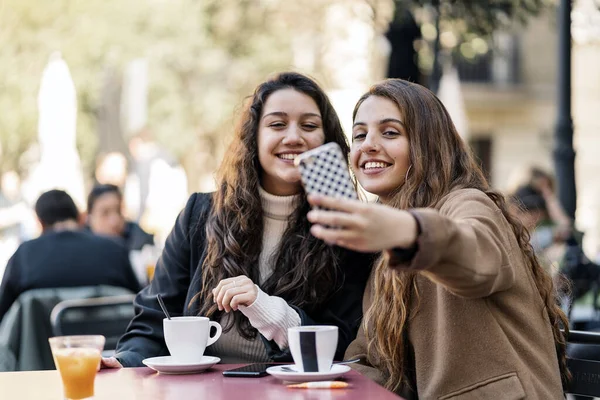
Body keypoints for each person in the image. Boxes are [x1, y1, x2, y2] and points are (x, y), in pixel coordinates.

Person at [306, 79, 567, 398]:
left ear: (428, 142)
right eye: (360, 134)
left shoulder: (467, 203)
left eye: (390, 132)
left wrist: (407, 230)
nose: (368, 145)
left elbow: (475, 258)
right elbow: (374, 363)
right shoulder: (388, 255)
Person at [102, 72, 374, 368]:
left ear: (326, 138)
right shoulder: (200, 213)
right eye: (277, 124)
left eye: (309, 126)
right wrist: (123, 360)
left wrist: (269, 309)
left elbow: (343, 342)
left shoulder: (346, 225)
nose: (294, 137)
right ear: (254, 136)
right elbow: (154, 318)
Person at [0, 189, 140, 322]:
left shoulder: (24, 255)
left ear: (40, 223)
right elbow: (140, 303)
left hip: (41, 346)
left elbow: (3, 312)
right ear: (80, 217)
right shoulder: (114, 249)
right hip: (111, 345)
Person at [87, 184, 154, 251]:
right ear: (90, 218)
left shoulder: (139, 240)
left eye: (118, 210)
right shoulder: (82, 250)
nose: (114, 221)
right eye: (105, 213)